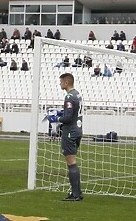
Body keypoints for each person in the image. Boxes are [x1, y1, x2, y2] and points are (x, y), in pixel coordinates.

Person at [55, 72, 83, 201]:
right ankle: (77, 193)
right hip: (78, 130)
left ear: (66, 82)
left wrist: (56, 118)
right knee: (72, 162)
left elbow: (67, 118)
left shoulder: (69, 97)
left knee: (71, 163)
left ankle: (75, 194)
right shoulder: (77, 94)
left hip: (70, 132)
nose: (60, 84)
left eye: (61, 82)